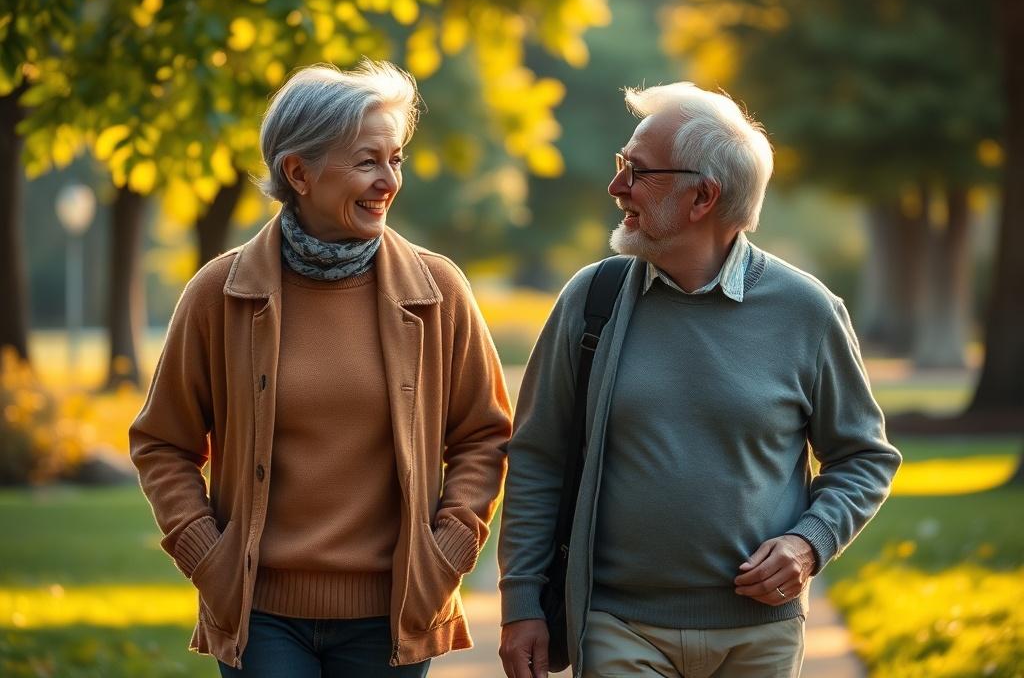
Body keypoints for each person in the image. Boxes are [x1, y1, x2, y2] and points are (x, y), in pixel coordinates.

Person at [497, 82, 901, 678]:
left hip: (759, 639)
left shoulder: (807, 311)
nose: (617, 188)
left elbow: (864, 458)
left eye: (637, 172)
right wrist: (522, 602)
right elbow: (538, 456)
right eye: (621, 167)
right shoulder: (593, 300)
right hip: (616, 626)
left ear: (701, 197)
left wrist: (809, 542)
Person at [130, 60, 512, 677]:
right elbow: (162, 441)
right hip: (262, 616)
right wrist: (206, 554)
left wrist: (448, 551)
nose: (389, 180)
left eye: (395, 159)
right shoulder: (219, 292)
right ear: (299, 172)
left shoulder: (437, 290)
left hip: (392, 614)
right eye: (367, 161)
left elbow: (484, 434)